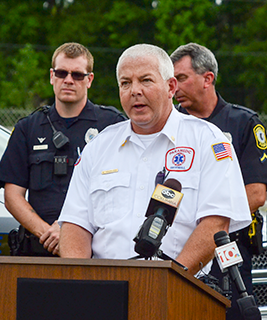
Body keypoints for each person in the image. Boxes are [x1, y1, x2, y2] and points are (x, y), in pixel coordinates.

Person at [58, 43, 252, 277]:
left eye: (146, 80)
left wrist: (167, 283)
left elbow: (216, 225)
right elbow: (74, 225)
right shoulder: (98, 148)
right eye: (125, 83)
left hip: (180, 291)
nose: (134, 91)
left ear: (171, 87)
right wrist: (81, 282)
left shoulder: (208, 141)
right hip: (105, 291)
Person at [170, 42, 267, 318]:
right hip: (177, 250)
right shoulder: (170, 128)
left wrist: (207, 222)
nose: (174, 87)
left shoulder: (244, 123)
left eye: (181, 78)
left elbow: (255, 195)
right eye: (171, 80)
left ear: (207, 79)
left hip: (230, 251)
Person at [0, 42, 126, 257]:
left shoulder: (112, 125)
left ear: (89, 80)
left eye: (77, 75)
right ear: (52, 76)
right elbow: (12, 194)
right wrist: (47, 233)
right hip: (40, 248)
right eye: (61, 73)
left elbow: (123, 188)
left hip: (94, 251)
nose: (68, 80)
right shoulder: (27, 128)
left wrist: (68, 232)